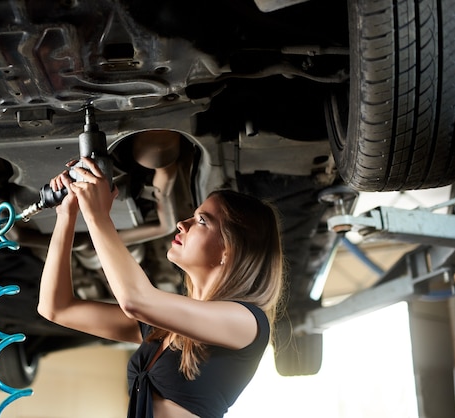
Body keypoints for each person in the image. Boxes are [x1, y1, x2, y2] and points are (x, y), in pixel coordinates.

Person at [38, 157, 285, 418]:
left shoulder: (247, 322)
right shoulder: (161, 330)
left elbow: (135, 301)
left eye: (202, 220)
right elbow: (56, 308)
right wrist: (67, 215)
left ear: (229, 249)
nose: (182, 223)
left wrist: (97, 215)